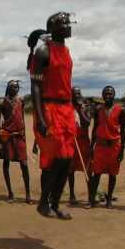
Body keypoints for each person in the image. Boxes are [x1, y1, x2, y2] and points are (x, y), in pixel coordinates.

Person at [29, 12, 76, 220]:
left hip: (66, 110)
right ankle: (43, 203)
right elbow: (35, 87)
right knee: (56, 159)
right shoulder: (42, 52)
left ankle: (55, 204)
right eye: (62, 23)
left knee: (67, 161)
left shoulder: (66, 51)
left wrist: (74, 110)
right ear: (51, 27)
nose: (67, 25)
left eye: (68, 22)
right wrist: (40, 118)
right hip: (49, 109)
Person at [89, 86, 125, 209]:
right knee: (96, 174)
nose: (108, 95)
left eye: (110, 93)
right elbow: (95, 128)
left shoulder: (120, 110)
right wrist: (91, 146)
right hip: (100, 146)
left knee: (112, 175)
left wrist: (122, 150)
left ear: (114, 95)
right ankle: (91, 200)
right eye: (106, 93)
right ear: (102, 95)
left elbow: (123, 131)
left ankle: (109, 200)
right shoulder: (98, 110)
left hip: (114, 147)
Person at [0, 80, 32, 204]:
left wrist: (25, 138)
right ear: (8, 87)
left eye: (17, 87)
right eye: (13, 87)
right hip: (7, 136)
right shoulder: (2, 102)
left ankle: (28, 194)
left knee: (24, 163)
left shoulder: (21, 101)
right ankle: (10, 193)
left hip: (19, 136)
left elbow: (22, 119)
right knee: (6, 163)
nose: (16, 89)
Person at [67, 87, 92, 205]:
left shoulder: (86, 107)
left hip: (84, 142)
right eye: (74, 94)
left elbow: (87, 123)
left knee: (88, 168)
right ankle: (72, 195)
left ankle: (90, 195)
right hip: (71, 141)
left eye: (78, 94)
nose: (77, 96)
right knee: (70, 169)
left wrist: (81, 109)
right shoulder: (67, 108)